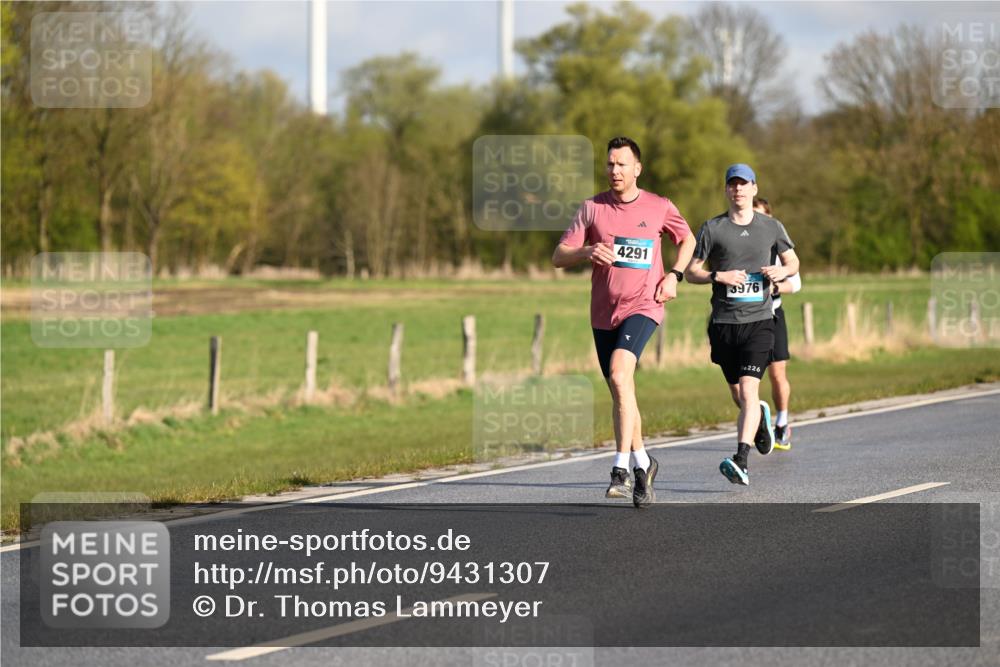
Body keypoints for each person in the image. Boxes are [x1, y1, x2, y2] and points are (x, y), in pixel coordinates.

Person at [553, 137, 695, 507]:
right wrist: (586, 250)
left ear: (637, 169)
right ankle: (644, 463)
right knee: (622, 389)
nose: (615, 171)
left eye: (622, 164)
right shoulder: (592, 208)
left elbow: (688, 240)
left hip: (644, 305)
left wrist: (674, 275)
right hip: (603, 312)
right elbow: (558, 255)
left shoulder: (659, 206)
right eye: (610, 164)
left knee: (619, 375)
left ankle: (619, 468)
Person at [685, 164, 799, 486]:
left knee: (749, 389)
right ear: (726, 190)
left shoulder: (771, 227)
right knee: (739, 395)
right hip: (723, 323)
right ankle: (760, 419)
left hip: (760, 321)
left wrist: (783, 272)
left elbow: (793, 261)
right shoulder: (712, 228)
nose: (738, 190)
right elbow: (691, 271)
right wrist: (715, 276)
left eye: (743, 184)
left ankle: (741, 460)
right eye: (732, 185)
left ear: (753, 188)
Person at [753, 196, 801, 450]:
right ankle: (760, 420)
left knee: (776, 373)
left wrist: (776, 286)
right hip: (744, 318)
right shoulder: (740, 242)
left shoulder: (777, 244)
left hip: (773, 314)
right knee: (744, 380)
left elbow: (797, 282)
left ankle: (782, 421)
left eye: (762, 216)